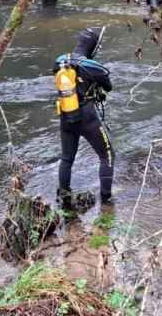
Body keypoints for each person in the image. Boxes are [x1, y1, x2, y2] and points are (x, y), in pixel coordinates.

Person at [54, 28, 114, 205]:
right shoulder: (93, 67)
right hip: (87, 118)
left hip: (65, 115)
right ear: (93, 47)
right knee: (107, 155)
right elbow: (108, 86)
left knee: (67, 158)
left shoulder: (59, 61)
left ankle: (64, 196)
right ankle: (106, 199)